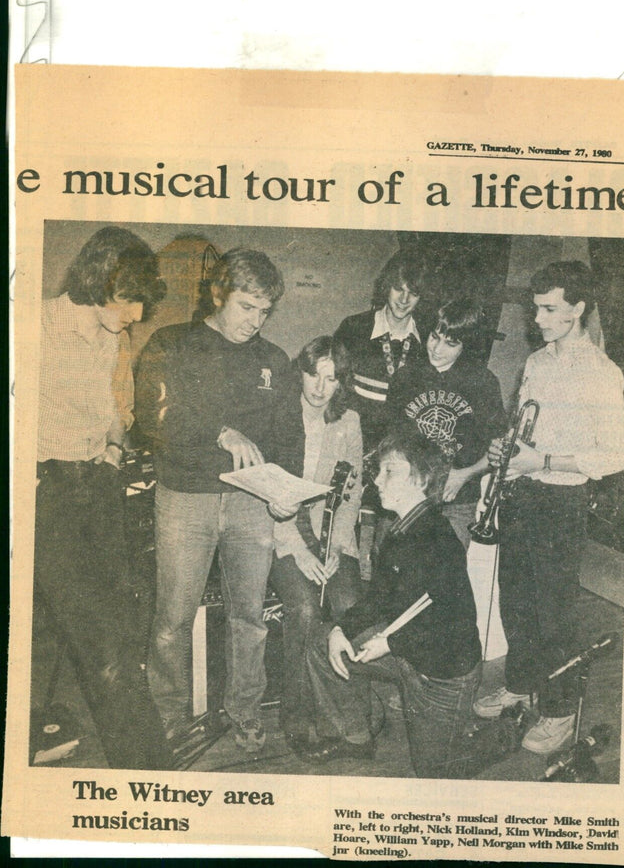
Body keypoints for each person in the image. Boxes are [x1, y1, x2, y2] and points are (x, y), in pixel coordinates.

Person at [135, 248, 304, 752]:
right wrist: (220, 432)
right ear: (217, 294)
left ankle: (246, 711)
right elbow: (151, 417)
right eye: (246, 306)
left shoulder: (274, 361)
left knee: (249, 617)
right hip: (186, 499)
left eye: (264, 311)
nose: (255, 321)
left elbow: (288, 440)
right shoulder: (173, 343)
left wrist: (286, 494)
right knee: (174, 618)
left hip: (252, 505)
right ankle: (170, 717)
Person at [300, 430, 527, 778]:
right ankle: (356, 735)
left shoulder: (438, 540)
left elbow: (448, 626)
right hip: (407, 653)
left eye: (389, 471)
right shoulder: (399, 530)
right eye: (379, 471)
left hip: (442, 674)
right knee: (321, 641)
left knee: (436, 775)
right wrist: (342, 629)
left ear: (420, 480)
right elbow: (378, 599)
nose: (376, 479)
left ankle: (506, 732)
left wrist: (390, 643)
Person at [473, 261, 624, 756]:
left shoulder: (602, 373)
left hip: (562, 500)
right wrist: (509, 449)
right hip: (522, 494)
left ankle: (560, 711)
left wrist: (543, 459)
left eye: (549, 309)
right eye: (535, 307)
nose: (536, 318)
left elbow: (616, 454)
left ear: (577, 309)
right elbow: (525, 425)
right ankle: (520, 684)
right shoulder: (537, 363)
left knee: (553, 613)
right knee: (516, 599)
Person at [35, 225, 173, 769]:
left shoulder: (111, 336)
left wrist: (115, 450)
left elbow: (112, 410)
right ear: (100, 281)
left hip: (99, 486)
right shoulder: (37, 324)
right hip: (51, 493)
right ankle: (151, 775)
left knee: (121, 636)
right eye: (131, 299)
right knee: (102, 650)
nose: (138, 315)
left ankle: (146, 760)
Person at [269, 336, 363, 750]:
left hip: (330, 531)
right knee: (305, 609)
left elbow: (352, 492)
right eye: (313, 374)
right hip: (280, 530)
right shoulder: (277, 414)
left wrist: (339, 544)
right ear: (300, 373)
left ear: (342, 382)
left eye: (331, 378)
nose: (320, 388)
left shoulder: (349, 423)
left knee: (348, 607)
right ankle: (296, 714)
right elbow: (266, 491)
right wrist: (297, 549)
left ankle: (340, 715)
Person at [386, 298, 507, 550]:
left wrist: (463, 475)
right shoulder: (404, 377)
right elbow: (390, 442)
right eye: (434, 337)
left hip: (457, 504)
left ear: (467, 346)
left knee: (444, 580)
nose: (437, 349)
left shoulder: (483, 383)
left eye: (450, 343)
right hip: (405, 498)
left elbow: (499, 448)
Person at [333, 249, 430, 455]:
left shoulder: (427, 342)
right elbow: (335, 387)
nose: (404, 299)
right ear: (387, 287)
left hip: (398, 452)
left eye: (413, 293)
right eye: (398, 289)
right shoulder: (354, 327)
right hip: (349, 442)